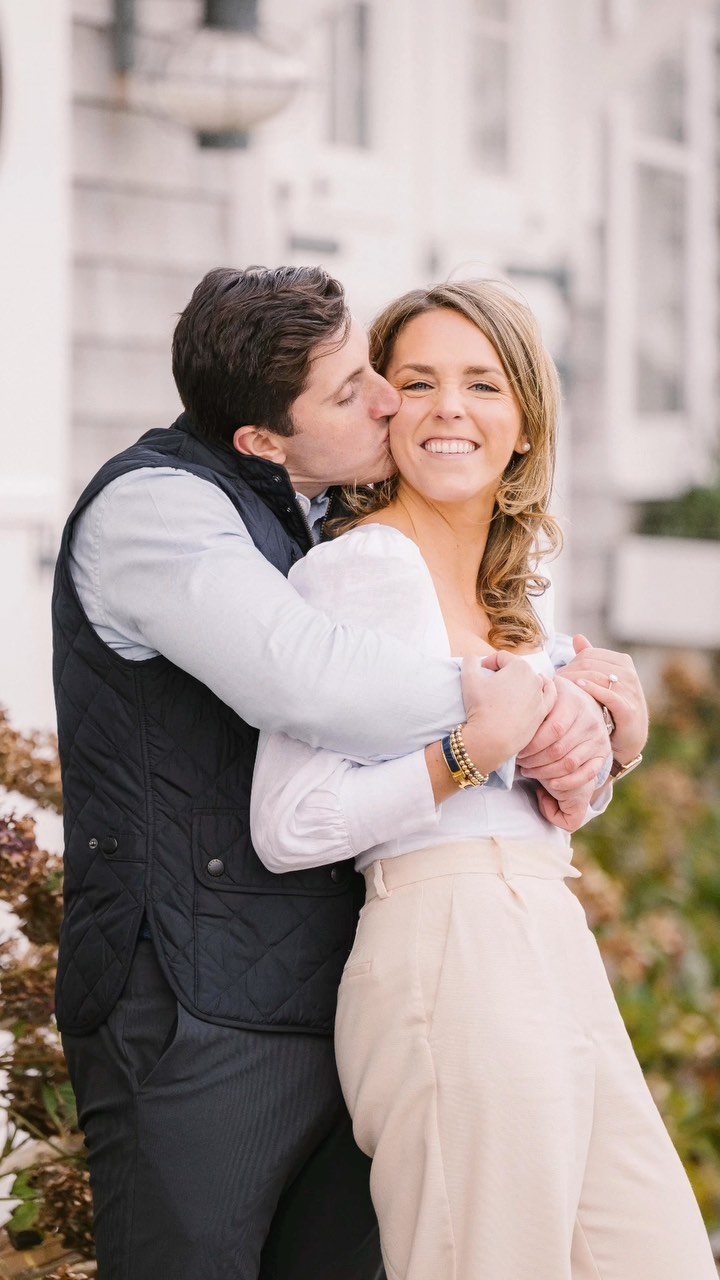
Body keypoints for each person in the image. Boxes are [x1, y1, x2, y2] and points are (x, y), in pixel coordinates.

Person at [52, 264, 642, 1280]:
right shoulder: (157, 509)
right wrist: (539, 699)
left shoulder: (316, 512)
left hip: (323, 988)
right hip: (190, 1010)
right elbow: (313, 681)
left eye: (372, 366)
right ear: (260, 440)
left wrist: (587, 725)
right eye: (351, 390)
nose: (388, 400)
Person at [251, 280, 716, 1280]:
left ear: (525, 422)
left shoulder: (512, 598)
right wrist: (467, 753)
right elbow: (289, 823)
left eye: (482, 383)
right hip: (446, 947)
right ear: (384, 410)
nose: (448, 408)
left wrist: (611, 747)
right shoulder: (363, 569)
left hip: (551, 937)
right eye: (417, 382)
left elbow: (524, 808)